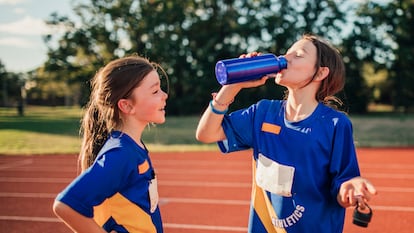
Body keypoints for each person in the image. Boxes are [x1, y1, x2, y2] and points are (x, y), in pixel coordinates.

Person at [196, 34, 377, 233]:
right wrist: (233, 85)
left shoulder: (335, 124)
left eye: (298, 55)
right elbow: (206, 134)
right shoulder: (263, 112)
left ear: (320, 73)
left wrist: (350, 189)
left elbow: (343, 184)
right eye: (287, 52)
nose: (286, 58)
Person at [53, 55, 168, 233]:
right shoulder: (120, 154)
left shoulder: (132, 146)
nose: (164, 95)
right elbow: (66, 205)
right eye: (155, 91)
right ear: (127, 106)